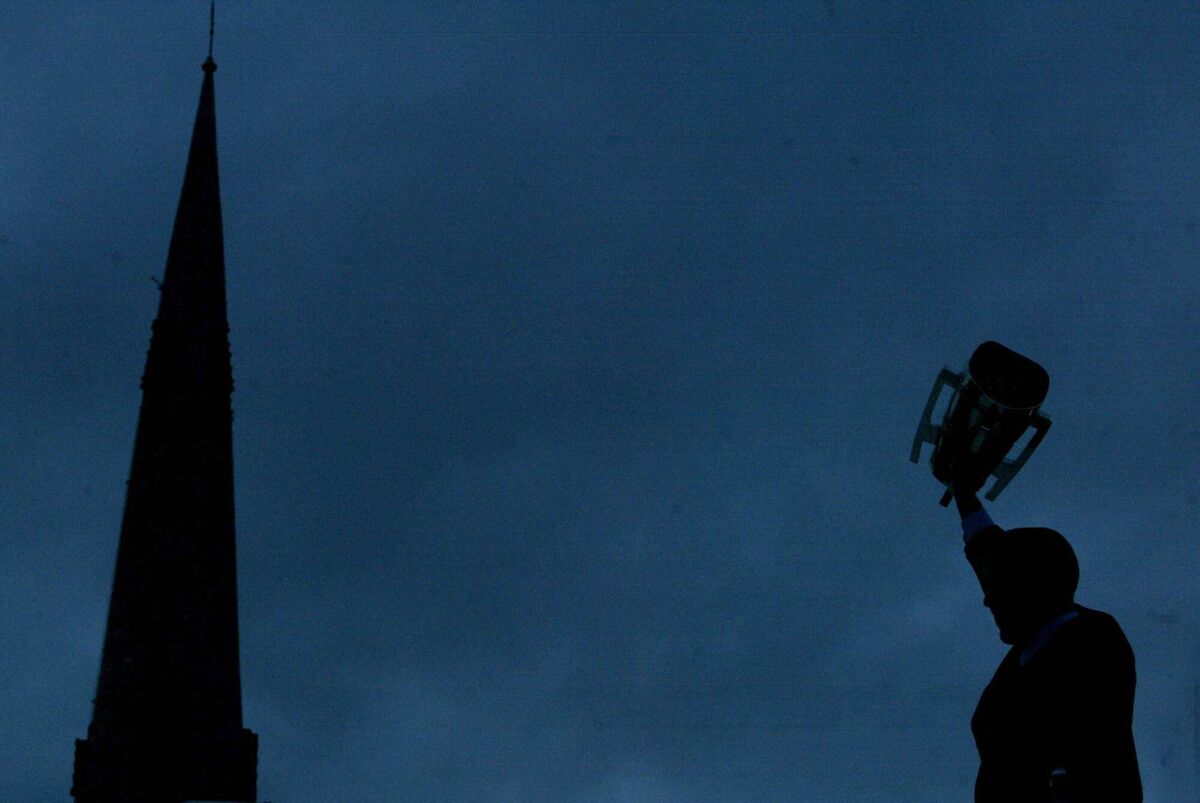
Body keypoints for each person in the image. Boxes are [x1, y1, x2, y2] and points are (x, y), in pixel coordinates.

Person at [951, 477, 1141, 802]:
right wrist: (961, 490)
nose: (987, 600)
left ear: (1032, 590)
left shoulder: (1092, 646)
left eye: (999, 589)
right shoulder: (1038, 640)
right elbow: (988, 552)